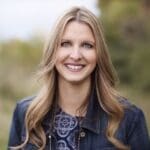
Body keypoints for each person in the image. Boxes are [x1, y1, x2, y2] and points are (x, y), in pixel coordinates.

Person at [8, 6, 150, 150]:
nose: (75, 55)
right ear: (53, 51)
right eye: (65, 44)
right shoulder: (26, 114)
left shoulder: (129, 118)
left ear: (99, 54)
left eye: (87, 45)